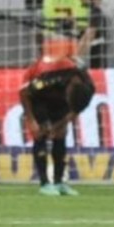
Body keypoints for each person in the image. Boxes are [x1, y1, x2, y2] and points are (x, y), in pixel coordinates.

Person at [20, 54, 95, 196]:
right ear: (70, 88)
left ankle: (59, 182)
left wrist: (61, 124)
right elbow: (24, 93)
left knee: (61, 133)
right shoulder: (50, 76)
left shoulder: (88, 87)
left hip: (59, 100)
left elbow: (75, 110)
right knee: (42, 131)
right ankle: (44, 184)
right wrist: (31, 120)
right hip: (39, 98)